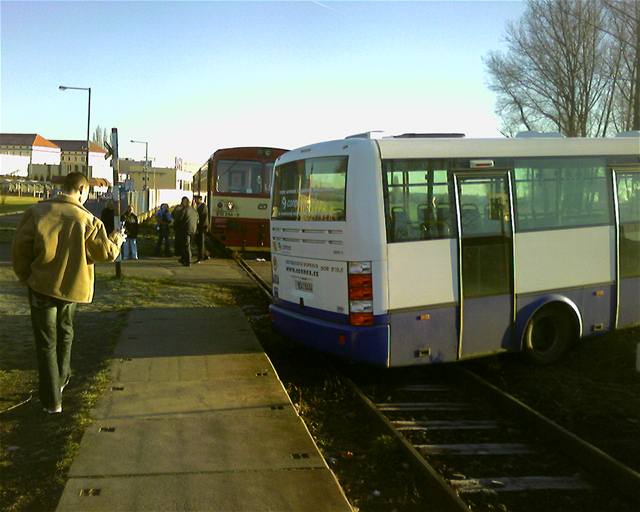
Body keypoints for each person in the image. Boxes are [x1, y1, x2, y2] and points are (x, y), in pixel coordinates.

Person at [12, 172, 124, 414]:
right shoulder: (87, 219)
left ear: (64, 187)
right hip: (72, 289)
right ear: (82, 190)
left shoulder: (36, 213)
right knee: (66, 333)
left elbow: (20, 249)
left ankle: (52, 401)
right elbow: (105, 253)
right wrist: (116, 239)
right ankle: (61, 380)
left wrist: (25, 277)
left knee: (46, 343)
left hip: (41, 286)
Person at [174, 196, 198, 266]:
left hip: (186, 230)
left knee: (186, 246)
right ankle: (183, 259)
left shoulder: (184, 210)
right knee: (188, 245)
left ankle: (188, 261)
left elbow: (180, 219)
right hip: (193, 230)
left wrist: (176, 225)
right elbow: (197, 219)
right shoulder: (193, 210)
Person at [194, 195, 210, 262]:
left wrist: (199, 226)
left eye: (197, 199)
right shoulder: (198, 206)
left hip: (202, 227)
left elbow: (202, 217)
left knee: (201, 242)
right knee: (199, 242)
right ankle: (206, 255)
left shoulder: (203, 207)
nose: (195, 201)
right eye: (195, 199)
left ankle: (200, 257)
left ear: (200, 199)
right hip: (200, 226)